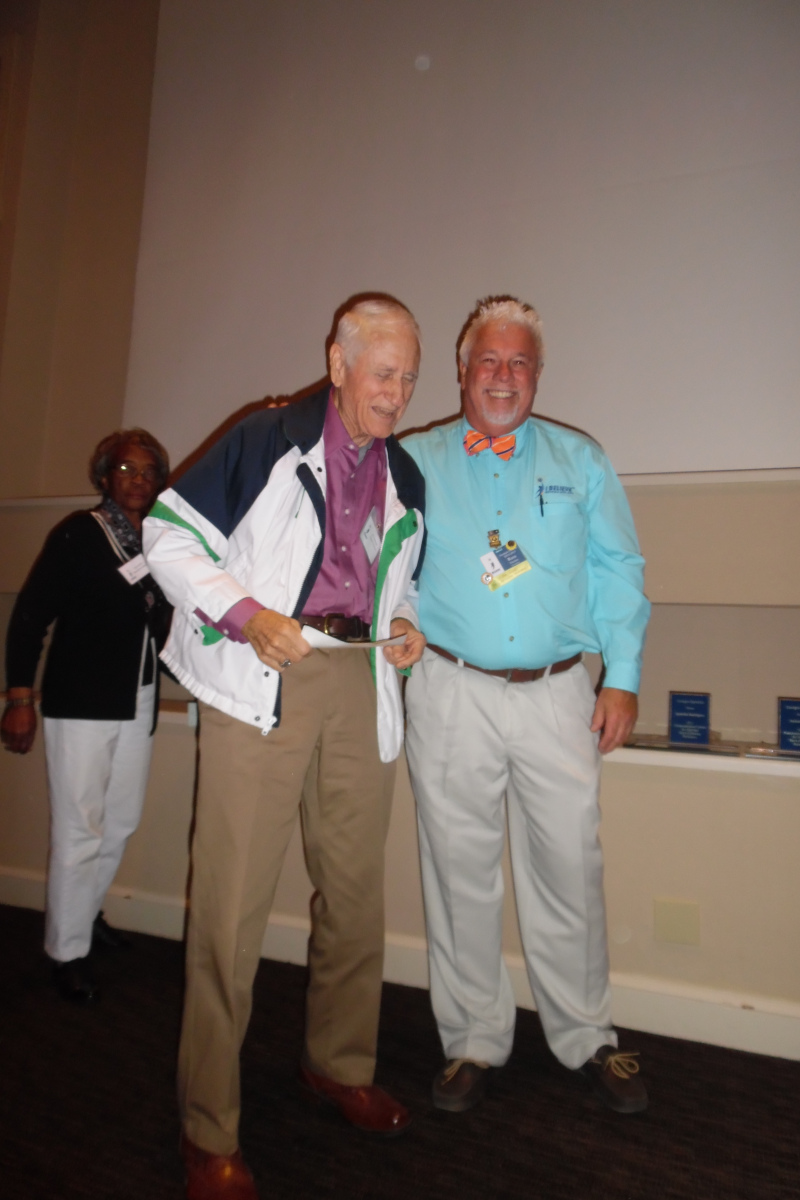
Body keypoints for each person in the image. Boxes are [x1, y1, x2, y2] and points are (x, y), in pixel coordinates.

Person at [142, 297, 426, 1200]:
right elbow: (165, 536)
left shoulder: (407, 473)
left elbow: (398, 580)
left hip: (355, 676)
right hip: (265, 669)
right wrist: (246, 614)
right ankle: (207, 1127)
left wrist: (405, 623)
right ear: (337, 364)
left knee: (355, 892)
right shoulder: (264, 438)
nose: (397, 393)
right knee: (231, 909)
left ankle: (338, 1064)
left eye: (409, 377)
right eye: (383, 373)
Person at [401, 296, 651, 1117]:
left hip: (557, 692)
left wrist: (623, 674)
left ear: (537, 374)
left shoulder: (581, 458)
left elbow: (617, 567)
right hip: (450, 688)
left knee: (571, 867)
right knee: (457, 869)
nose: (503, 376)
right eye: (489, 360)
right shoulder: (413, 460)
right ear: (462, 369)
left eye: (519, 363)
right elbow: (378, 564)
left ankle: (586, 1035)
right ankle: (472, 1038)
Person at [1, 429, 171, 1002]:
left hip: (137, 699)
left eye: (148, 472)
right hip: (81, 701)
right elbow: (30, 616)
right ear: (103, 477)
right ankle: (66, 951)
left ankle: (85, 913)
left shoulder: (160, 540)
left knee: (120, 821)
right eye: (126, 469)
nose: (138, 480)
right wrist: (19, 698)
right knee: (80, 829)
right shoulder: (80, 533)